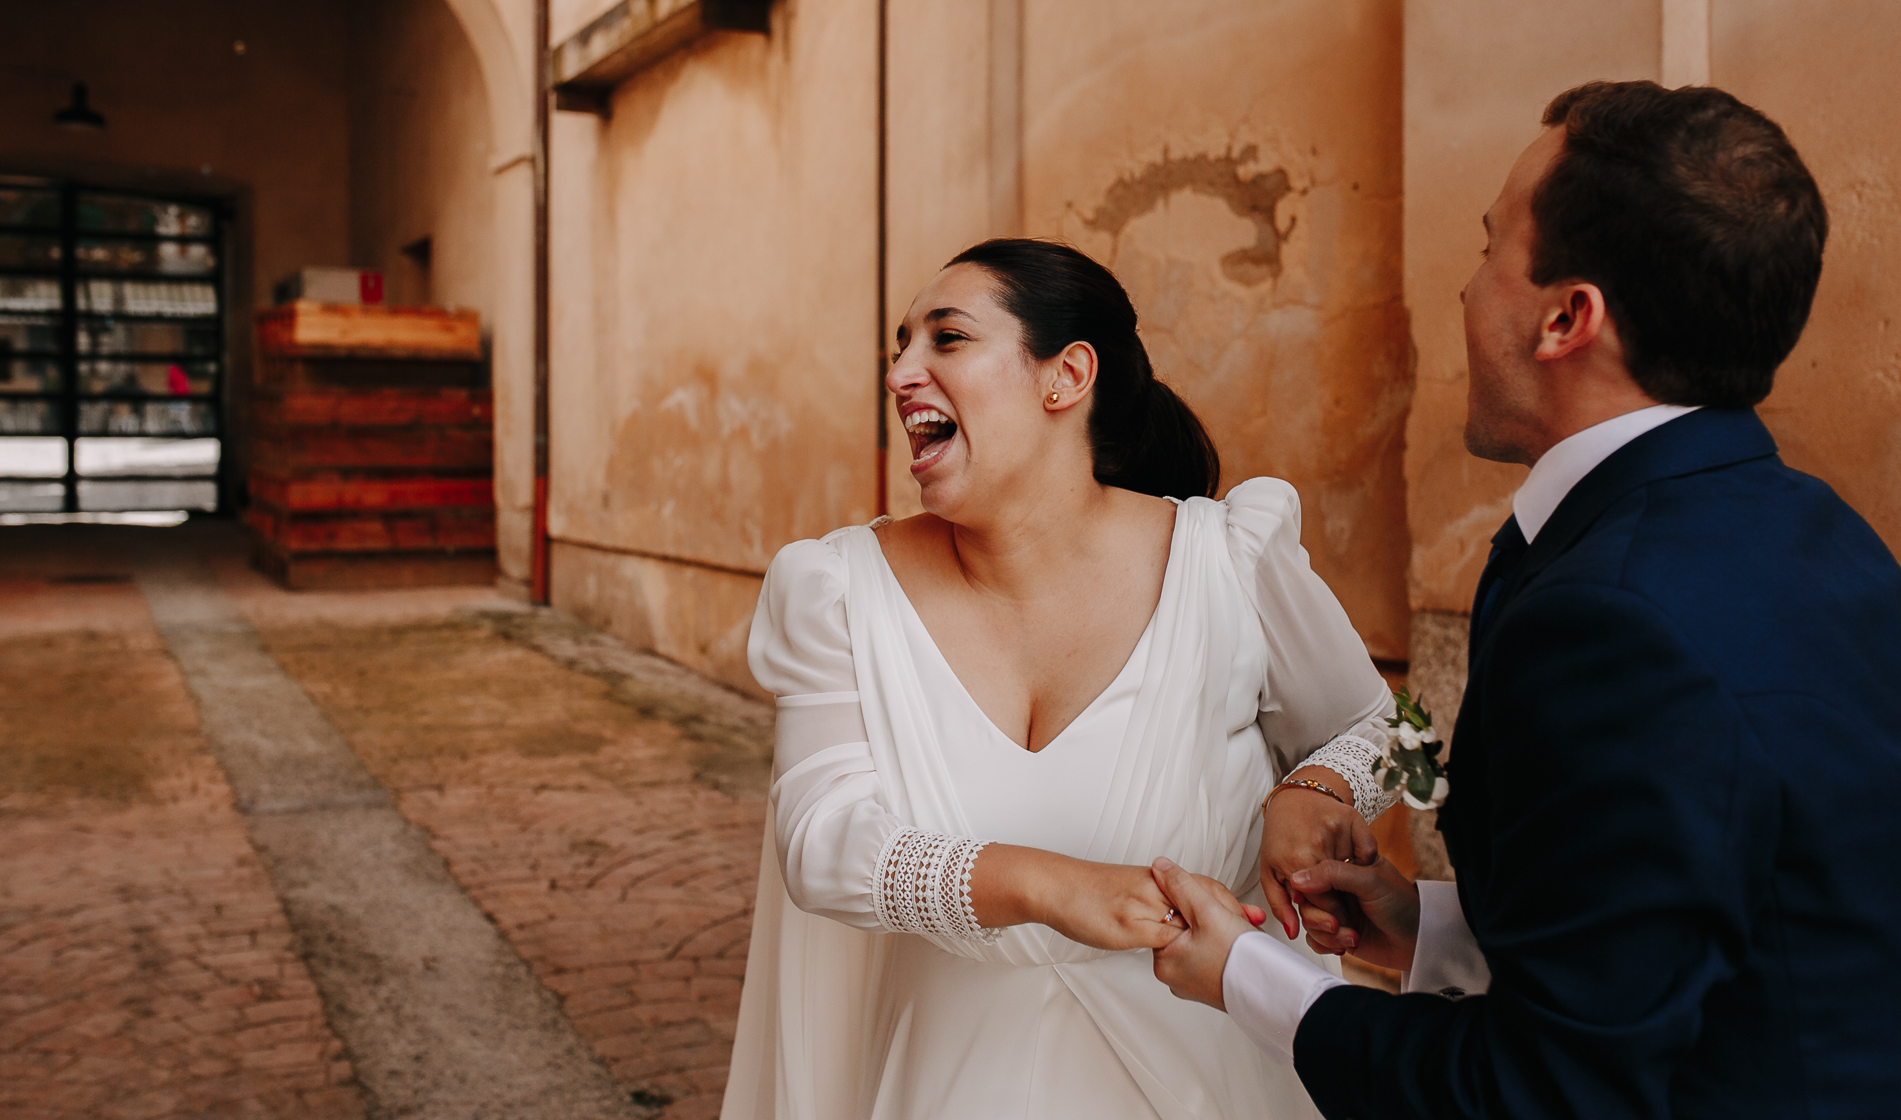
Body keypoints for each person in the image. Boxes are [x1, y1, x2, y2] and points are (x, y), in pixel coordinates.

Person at [1151, 80, 1901, 1118]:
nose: (1464, 293)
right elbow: (1731, 912)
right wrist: (1435, 928)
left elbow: (1544, 1090)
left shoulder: (1616, 618)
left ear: (1565, 316)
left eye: (1489, 245)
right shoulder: (1817, 528)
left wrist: (1247, 974)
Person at [720, 238, 1404, 1120]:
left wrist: (1312, 788)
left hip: (1216, 1078)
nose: (900, 374)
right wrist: (1050, 885)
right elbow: (821, 842)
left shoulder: (1228, 559)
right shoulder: (838, 591)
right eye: (899, 347)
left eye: (947, 339)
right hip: (950, 1080)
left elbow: (1379, 728)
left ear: (1066, 376)